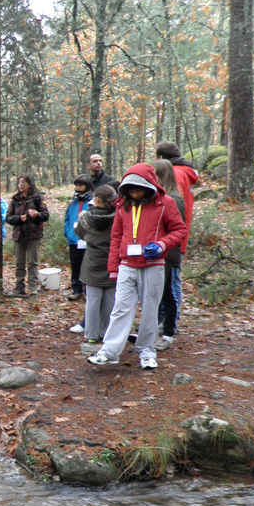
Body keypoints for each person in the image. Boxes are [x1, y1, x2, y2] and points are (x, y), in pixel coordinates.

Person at [87, 164, 188, 370]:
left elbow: (179, 230)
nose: (134, 193)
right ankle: (109, 352)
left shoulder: (165, 204)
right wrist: (113, 267)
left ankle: (147, 351)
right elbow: (116, 236)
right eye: (130, 190)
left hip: (153, 265)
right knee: (120, 309)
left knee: (150, 310)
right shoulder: (123, 206)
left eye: (138, 189)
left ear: (149, 185)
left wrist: (161, 245)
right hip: (127, 265)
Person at [154, 141, 198, 322]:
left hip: (172, 238)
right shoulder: (184, 172)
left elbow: (172, 207)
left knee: (171, 281)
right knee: (173, 279)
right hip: (175, 236)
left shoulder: (176, 174)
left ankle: (170, 321)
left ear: (161, 158)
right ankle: (169, 319)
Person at [75, 184, 117, 346]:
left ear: (97, 200)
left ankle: (91, 334)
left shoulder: (86, 217)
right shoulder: (118, 216)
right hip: (112, 262)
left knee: (92, 301)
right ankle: (106, 333)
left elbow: (80, 234)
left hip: (92, 262)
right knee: (110, 301)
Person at [152, 159, 186, 352]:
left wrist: (167, 251)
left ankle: (168, 332)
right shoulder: (157, 197)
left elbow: (177, 230)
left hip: (169, 255)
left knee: (168, 294)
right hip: (156, 254)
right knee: (156, 294)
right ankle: (155, 327)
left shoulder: (174, 199)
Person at [6, 173, 49, 297]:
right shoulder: (15, 200)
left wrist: (37, 215)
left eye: (23, 183)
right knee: (19, 262)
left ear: (29, 184)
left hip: (33, 235)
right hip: (19, 235)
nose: (21, 185)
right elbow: (8, 218)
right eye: (19, 183)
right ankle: (19, 287)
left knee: (32, 262)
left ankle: (33, 288)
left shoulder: (37, 198)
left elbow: (45, 215)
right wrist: (20, 218)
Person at [63, 175, 93, 301]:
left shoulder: (92, 203)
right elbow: (67, 219)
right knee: (75, 265)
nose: (78, 188)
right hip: (73, 240)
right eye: (77, 185)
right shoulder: (72, 203)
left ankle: (87, 290)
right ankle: (76, 289)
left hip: (86, 240)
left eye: (81, 185)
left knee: (87, 265)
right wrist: (68, 232)